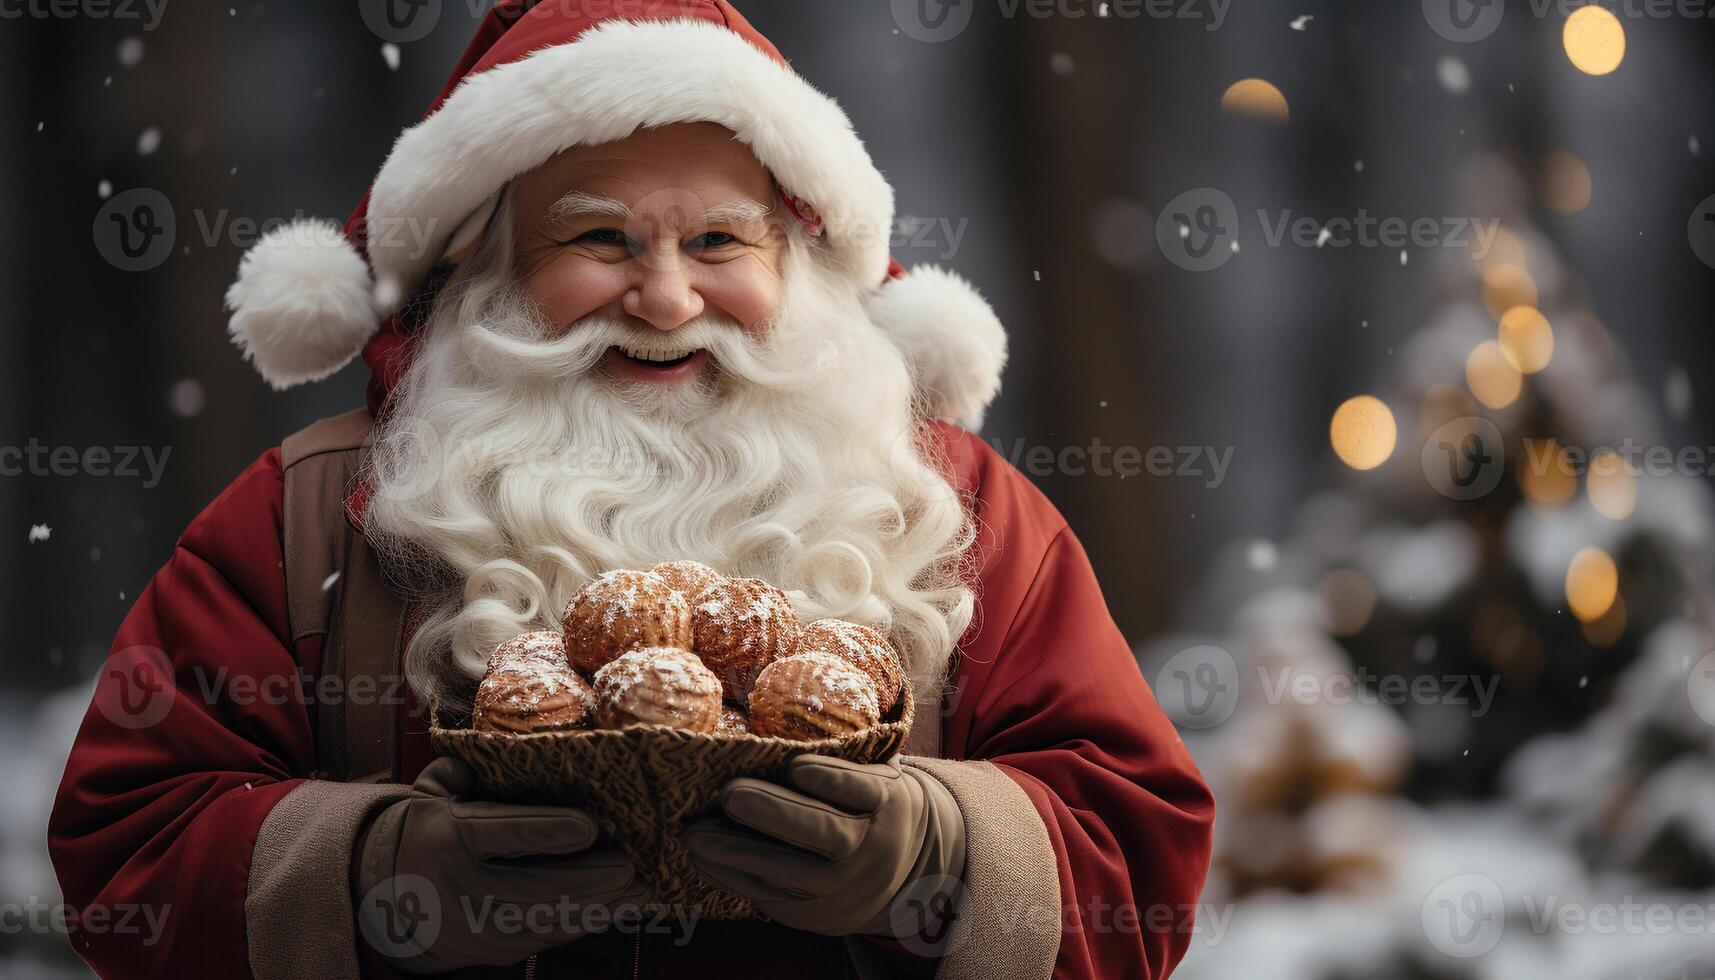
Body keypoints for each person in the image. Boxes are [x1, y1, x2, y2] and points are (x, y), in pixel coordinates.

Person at [49, 3, 1213, 978]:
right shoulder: (307, 513)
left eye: (718, 240)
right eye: (598, 238)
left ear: (792, 266)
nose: (664, 298)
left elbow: (1140, 850)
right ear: (489, 269)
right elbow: (126, 844)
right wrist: (380, 875)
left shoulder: (954, 509)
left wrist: (942, 853)